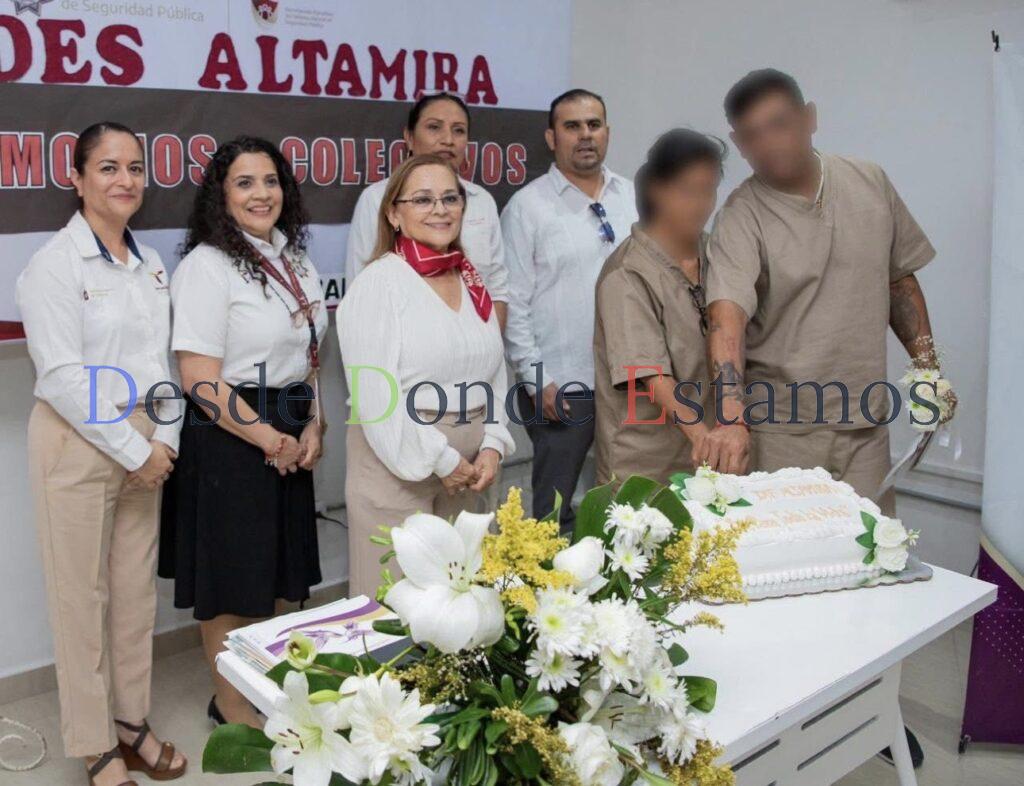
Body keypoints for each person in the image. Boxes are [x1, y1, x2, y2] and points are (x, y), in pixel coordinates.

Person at [703, 68, 956, 768]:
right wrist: (729, 416)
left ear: (810, 117)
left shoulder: (867, 181)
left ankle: (873, 709)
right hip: (784, 429)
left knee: (874, 578)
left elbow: (900, 280)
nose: (769, 144)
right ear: (738, 144)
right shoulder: (743, 214)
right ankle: (794, 731)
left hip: (865, 428)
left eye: (780, 124)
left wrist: (927, 367)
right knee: (798, 594)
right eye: (751, 136)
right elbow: (726, 316)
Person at [18, 122, 186, 786]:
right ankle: (94, 745)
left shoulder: (148, 263)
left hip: (145, 438)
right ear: (78, 177)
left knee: (133, 595)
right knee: (80, 599)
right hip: (77, 440)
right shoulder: (54, 266)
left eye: (135, 168)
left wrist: (164, 439)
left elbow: (162, 361)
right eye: (109, 168)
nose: (125, 181)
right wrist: (133, 450)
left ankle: (131, 722)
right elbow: (62, 376)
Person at [159, 136, 327, 729]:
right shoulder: (207, 266)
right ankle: (233, 710)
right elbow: (199, 379)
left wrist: (314, 422)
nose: (262, 194)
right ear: (221, 196)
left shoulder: (295, 257)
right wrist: (270, 440)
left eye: (271, 181)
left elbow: (310, 354)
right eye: (245, 183)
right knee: (233, 585)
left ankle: (264, 691)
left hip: (289, 427)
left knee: (278, 578)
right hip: (231, 437)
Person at [338, 153, 514, 598]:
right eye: (422, 199)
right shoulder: (378, 284)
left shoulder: (471, 278)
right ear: (394, 213)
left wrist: (493, 443)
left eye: (449, 198)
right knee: (397, 612)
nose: (439, 209)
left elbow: (492, 370)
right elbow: (376, 396)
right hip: (397, 463)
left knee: (463, 606)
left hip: (470, 468)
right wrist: (443, 459)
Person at [502, 88, 636, 528]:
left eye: (593, 124)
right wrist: (535, 376)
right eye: (572, 126)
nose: (585, 135)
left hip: (630, 381)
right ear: (551, 136)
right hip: (561, 383)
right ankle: (549, 590)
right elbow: (514, 300)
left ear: (607, 133)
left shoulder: (633, 197)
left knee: (626, 503)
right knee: (555, 512)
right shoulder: (528, 207)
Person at [594, 129, 726, 485]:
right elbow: (652, 376)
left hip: (707, 457)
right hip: (645, 465)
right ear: (657, 190)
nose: (701, 203)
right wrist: (703, 437)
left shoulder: (718, 254)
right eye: (687, 191)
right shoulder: (627, 273)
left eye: (709, 189)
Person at [345, 91, 510, 329]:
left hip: (480, 349)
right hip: (410, 353)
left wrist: (492, 348)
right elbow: (359, 296)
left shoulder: (482, 200)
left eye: (458, 130)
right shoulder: (379, 199)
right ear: (409, 138)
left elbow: (496, 287)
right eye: (434, 127)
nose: (448, 140)